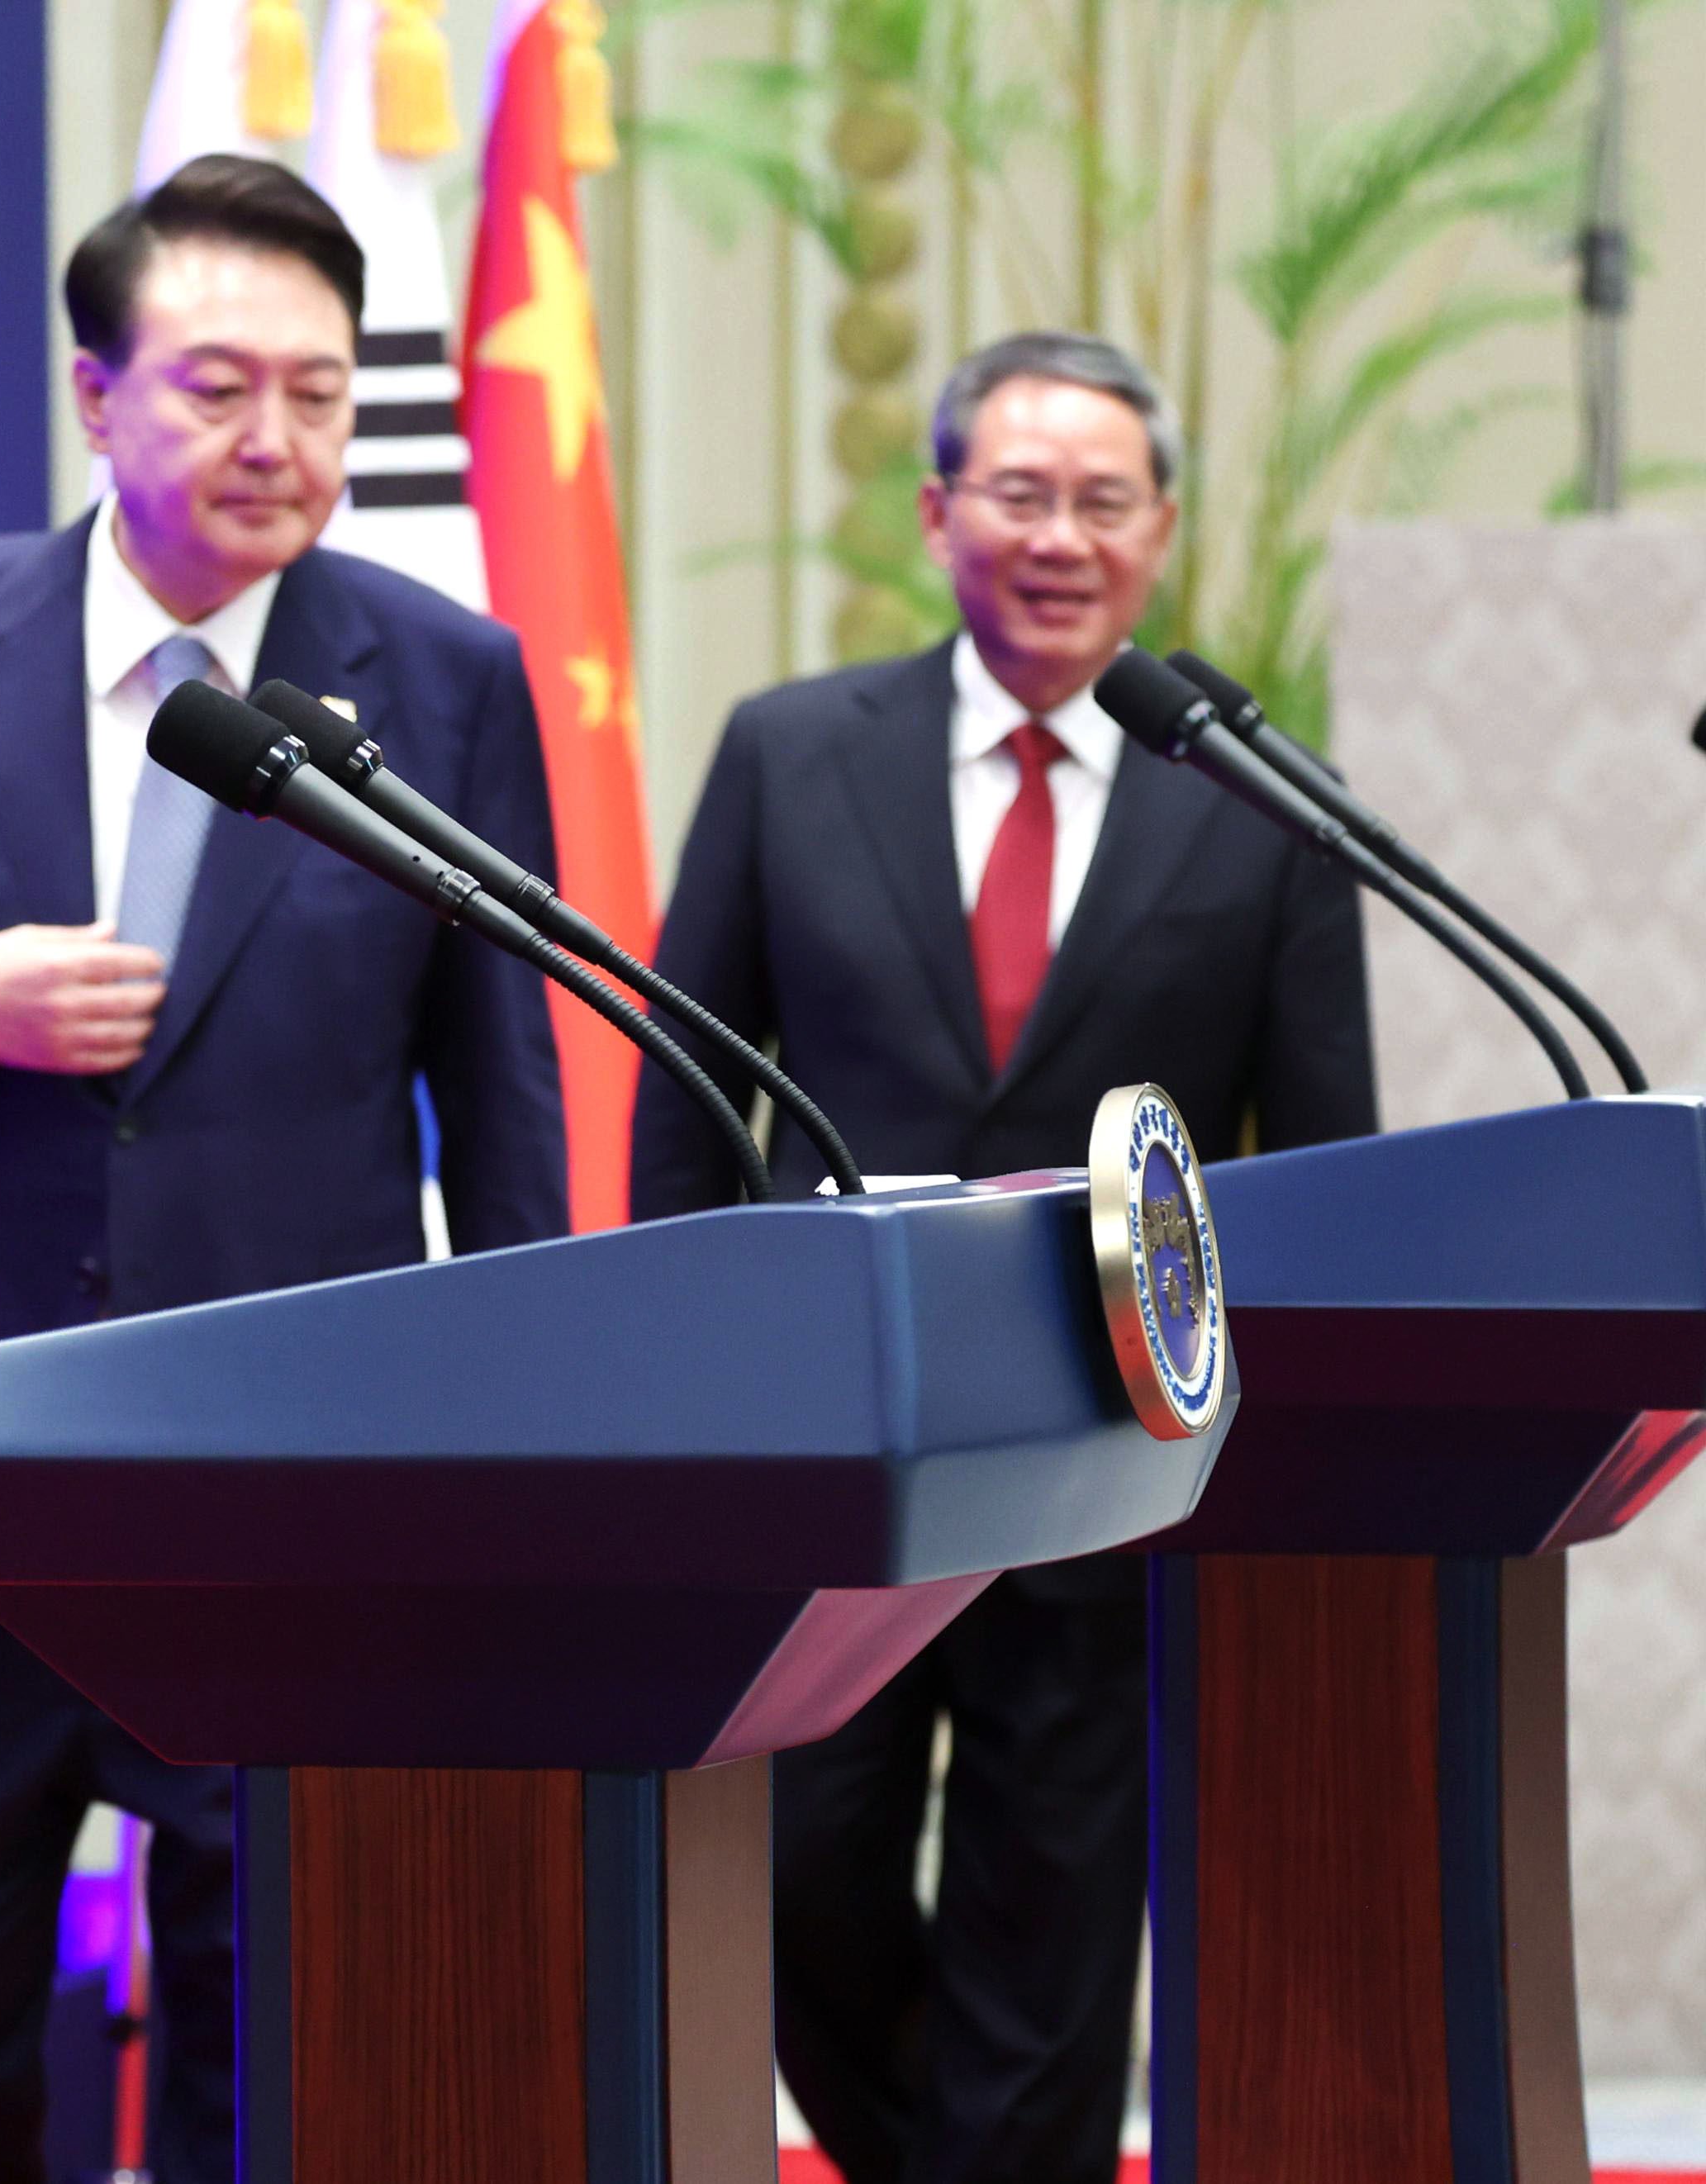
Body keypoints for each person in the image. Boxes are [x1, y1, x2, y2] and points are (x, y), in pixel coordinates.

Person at [0, 155, 569, 2184]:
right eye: (218, 386)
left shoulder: (440, 677)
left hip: (290, 1487)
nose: (277, 441)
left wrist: (532, 1442)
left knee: (285, 2007)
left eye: (323, 396)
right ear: (98, 394)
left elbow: (496, 1081)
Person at [632, 330, 1377, 2183]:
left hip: (1106, 1449)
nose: (1060, 535)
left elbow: (1318, 1152)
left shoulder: (1265, 796)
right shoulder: (792, 750)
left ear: (1164, 530)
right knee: (800, 1875)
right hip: (833, 1447)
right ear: (938, 509)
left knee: (1054, 1919)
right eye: (1020, 493)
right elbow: (690, 1094)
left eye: (1102, 500)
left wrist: (1255, 1456)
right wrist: (673, 1386)